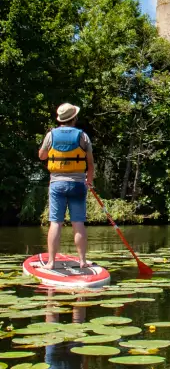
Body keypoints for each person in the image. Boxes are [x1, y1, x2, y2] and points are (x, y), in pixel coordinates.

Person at [38, 103, 94, 269]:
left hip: (57, 184)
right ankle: (82, 261)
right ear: (74, 118)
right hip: (78, 184)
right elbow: (90, 164)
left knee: (55, 223)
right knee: (78, 223)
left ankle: (51, 262)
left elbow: (42, 156)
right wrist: (89, 181)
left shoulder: (51, 135)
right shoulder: (83, 136)